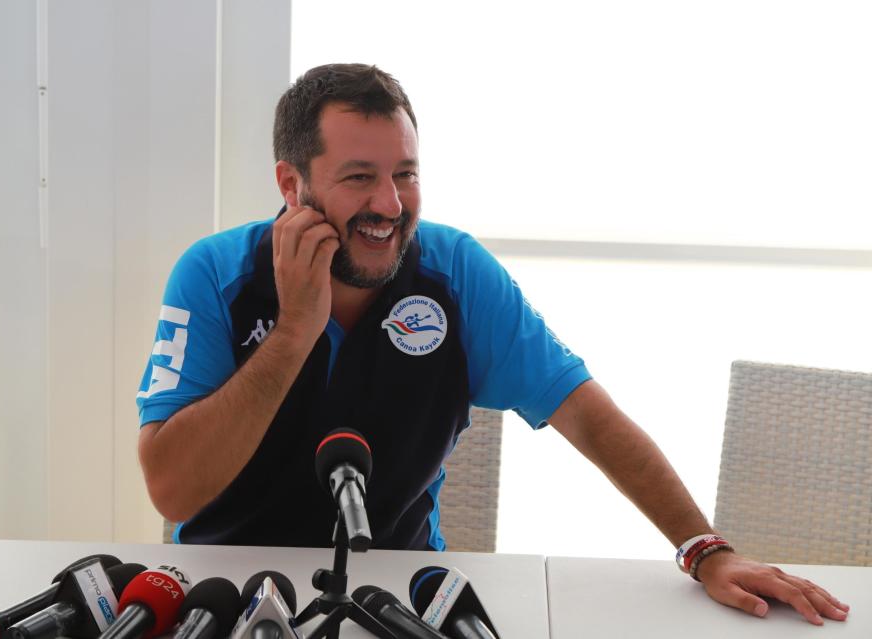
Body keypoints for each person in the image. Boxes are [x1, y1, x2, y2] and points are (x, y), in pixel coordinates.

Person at [136, 63, 849, 626]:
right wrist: (294, 330)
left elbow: (587, 414)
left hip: (401, 594)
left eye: (405, 174)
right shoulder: (214, 274)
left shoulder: (455, 271)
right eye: (360, 178)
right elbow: (172, 487)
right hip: (222, 593)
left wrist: (705, 549)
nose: (390, 204)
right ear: (292, 186)